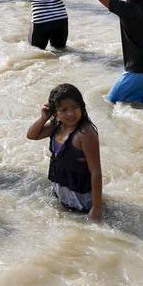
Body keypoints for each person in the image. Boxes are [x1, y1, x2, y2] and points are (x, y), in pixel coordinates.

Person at [25, 83, 103, 221]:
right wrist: (43, 118)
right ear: (55, 113)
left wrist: (96, 208)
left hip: (82, 200)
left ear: (82, 107)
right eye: (64, 110)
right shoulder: (56, 126)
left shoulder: (85, 133)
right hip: (61, 191)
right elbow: (32, 135)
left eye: (75, 107)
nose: (71, 113)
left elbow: (96, 172)